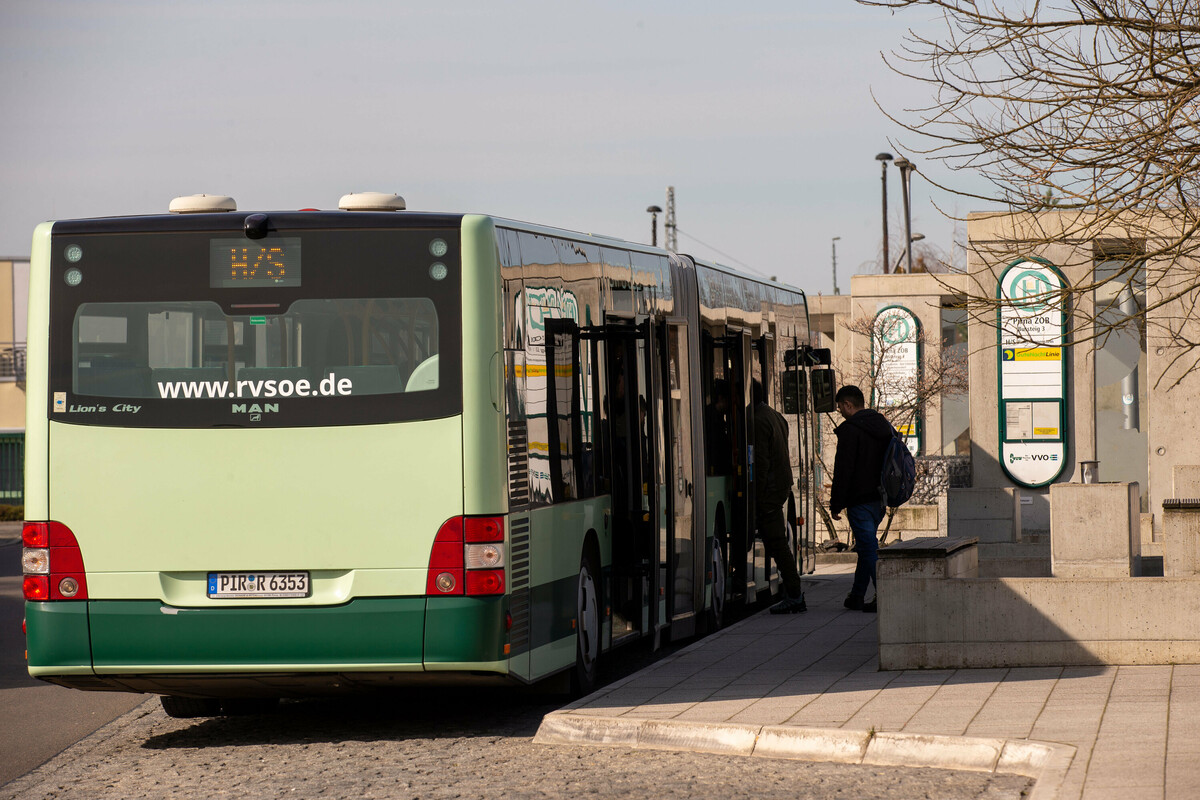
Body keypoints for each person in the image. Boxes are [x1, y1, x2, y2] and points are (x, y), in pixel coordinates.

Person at [830, 384, 892, 613]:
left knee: (868, 549)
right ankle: (856, 595)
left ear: (848, 404)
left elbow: (843, 470)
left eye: (840, 407)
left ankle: (883, 594)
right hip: (880, 499)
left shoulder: (850, 430)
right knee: (866, 547)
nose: (840, 411)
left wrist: (836, 503)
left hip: (859, 501)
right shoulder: (883, 426)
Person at [753, 379, 807, 614]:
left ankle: (795, 595)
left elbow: (761, 463)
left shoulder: (757, 420)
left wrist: (758, 497)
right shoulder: (773, 415)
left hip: (769, 494)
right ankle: (794, 594)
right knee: (779, 544)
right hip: (779, 489)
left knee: (777, 544)